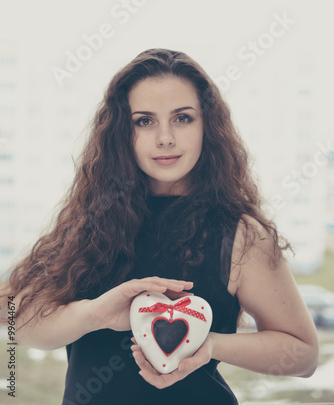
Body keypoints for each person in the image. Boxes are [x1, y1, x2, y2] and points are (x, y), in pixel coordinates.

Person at [0, 48, 318, 404]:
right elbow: (12, 321)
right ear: (122, 130)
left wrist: (209, 344)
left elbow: (303, 355)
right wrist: (94, 315)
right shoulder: (89, 222)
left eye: (182, 118)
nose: (165, 137)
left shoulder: (241, 234)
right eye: (144, 121)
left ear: (207, 127)